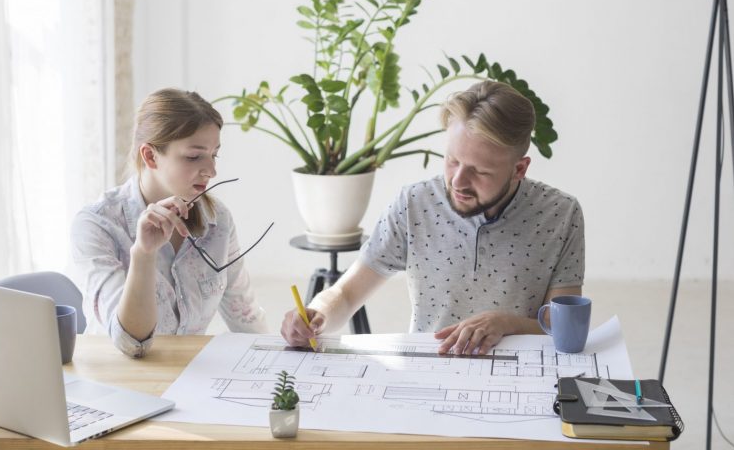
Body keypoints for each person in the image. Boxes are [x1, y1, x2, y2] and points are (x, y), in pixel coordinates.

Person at [281, 80, 584, 356]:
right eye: (452, 161)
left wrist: (506, 323)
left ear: (519, 169)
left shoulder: (561, 214)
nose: (458, 182)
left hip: (522, 375)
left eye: (479, 171)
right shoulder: (414, 204)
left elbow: (563, 328)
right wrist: (315, 314)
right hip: (429, 374)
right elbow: (346, 294)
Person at [72, 88, 269, 357]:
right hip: (117, 382)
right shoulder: (97, 225)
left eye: (214, 154)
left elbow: (246, 321)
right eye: (194, 156)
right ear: (150, 156)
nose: (212, 171)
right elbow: (131, 343)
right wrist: (143, 254)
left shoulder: (217, 220)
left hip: (185, 381)